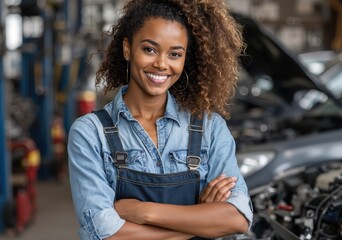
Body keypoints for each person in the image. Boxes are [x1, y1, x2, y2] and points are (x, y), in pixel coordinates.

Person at [67, 0, 253, 239]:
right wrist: (199, 219)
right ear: (127, 48)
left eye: (175, 54)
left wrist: (143, 212)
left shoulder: (210, 128)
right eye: (149, 49)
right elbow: (105, 233)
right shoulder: (90, 133)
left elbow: (237, 218)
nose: (162, 64)